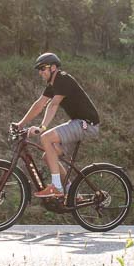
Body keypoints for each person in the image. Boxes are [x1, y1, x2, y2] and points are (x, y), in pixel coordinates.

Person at [15, 52, 100, 199]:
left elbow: (53, 105)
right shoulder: (52, 84)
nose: (40, 72)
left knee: (46, 138)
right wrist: (20, 124)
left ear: (53, 67)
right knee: (48, 156)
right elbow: (39, 104)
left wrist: (42, 128)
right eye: (39, 70)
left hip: (87, 123)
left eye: (43, 68)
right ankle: (72, 192)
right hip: (77, 122)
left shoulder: (63, 78)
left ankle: (57, 187)